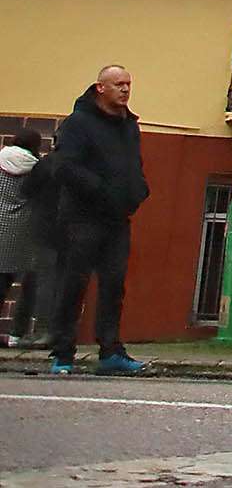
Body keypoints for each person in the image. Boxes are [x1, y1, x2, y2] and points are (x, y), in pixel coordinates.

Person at [46, 65, 149, 376]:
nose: (125, 90)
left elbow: (134, 164)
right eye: (118, 84)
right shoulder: (78, 124)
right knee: (72, 284)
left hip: (118, 218)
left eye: (128, 84)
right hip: (81, 218)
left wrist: (139, 189)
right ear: (100, 87)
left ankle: (111, 351)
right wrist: (100, 190)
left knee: (114, 285)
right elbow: (64, 167)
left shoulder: (129, 125)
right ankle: (63, 353)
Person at [0, 131, 48, 350]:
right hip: (23, 230)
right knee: (27, 282)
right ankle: (17, 334)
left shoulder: (0, 159)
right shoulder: (36, 168)